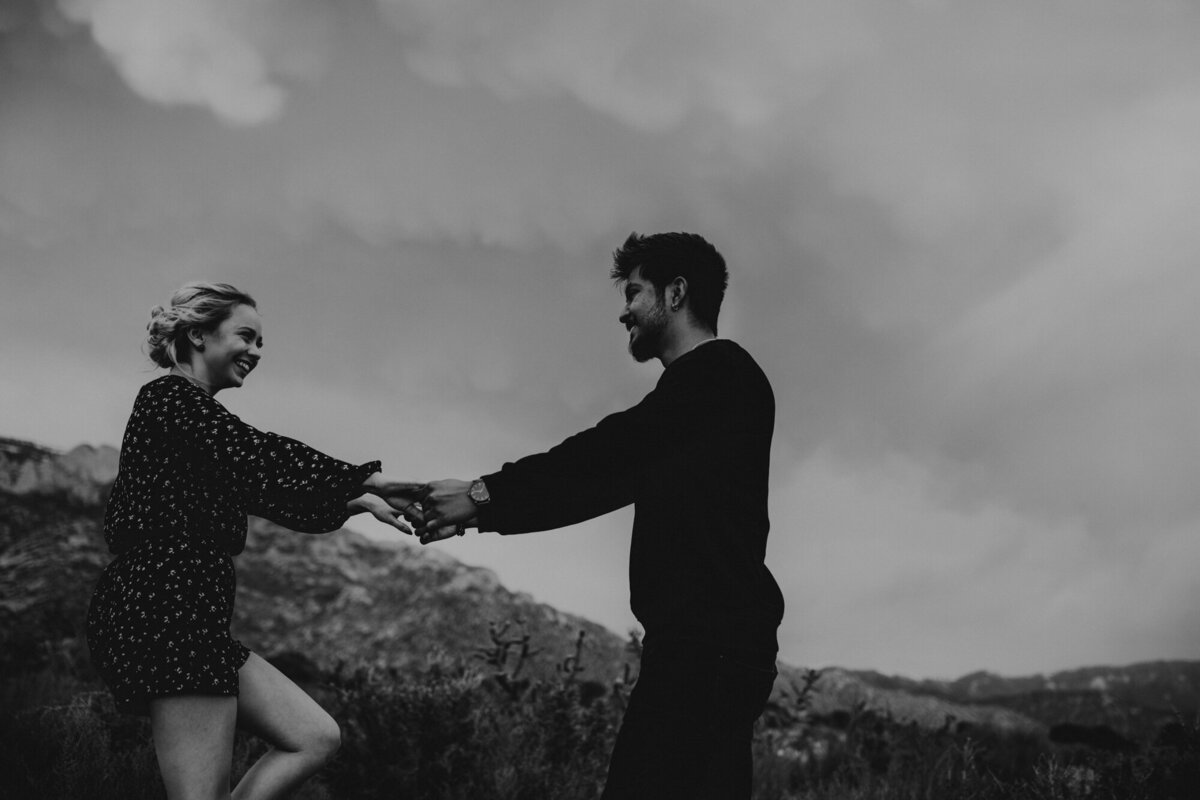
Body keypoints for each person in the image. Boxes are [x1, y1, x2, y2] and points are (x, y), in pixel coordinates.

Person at [421, 231, 785, 799]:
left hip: (703, 654)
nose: (624, 312)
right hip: (712, 650)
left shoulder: (717, 377)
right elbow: (600, 479)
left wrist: (481, 496)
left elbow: (605, 456)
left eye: (634, 292)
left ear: (676, 293)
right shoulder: (709, 393)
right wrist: (478, 507)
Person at [86, 282, 426, 800]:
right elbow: (257, 455)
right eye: (246, 336)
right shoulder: (168, 400)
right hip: (167, 611)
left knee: (314, 736)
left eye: (261, 343)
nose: (256, 352)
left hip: (192, 614)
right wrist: (362, 479)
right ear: (198, 335)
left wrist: (351, 501)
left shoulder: (198, 423)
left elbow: (267, 487)